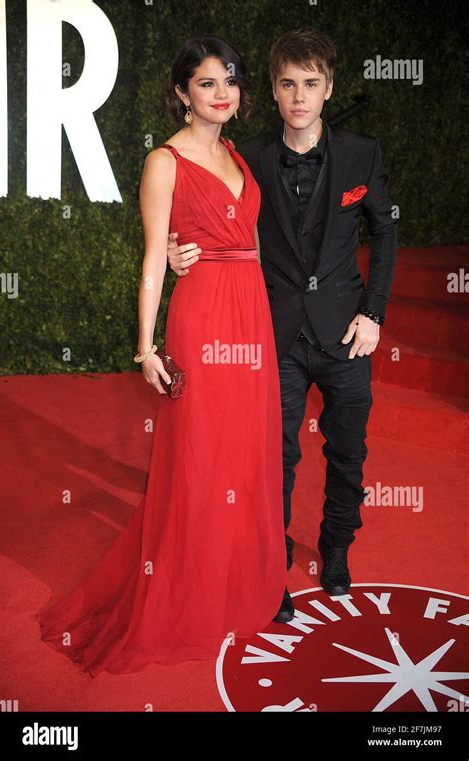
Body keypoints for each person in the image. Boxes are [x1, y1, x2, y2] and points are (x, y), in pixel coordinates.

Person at [32, 37, 287, 677]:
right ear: (181, 93)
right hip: (202, 319)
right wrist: (146, 347)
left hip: (250, 319)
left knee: (245, 450)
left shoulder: (236, 155)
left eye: (228, 80)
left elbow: (251, 244)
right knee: (201, 455)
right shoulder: (163, 162)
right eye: (206, 83)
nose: (222, 92)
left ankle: (239, 583)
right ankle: (192, 591)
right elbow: (154, 257)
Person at [167, 28, 398, 622]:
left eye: (311, 84)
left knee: (348, 452)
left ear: (329, 89)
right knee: (276, 462)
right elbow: (213, 221)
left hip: (348, 334)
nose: (299, 96)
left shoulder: (361, 154)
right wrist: (178, 250)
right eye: (288, 84)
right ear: (272, 90)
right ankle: (270, 572)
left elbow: (386, 232)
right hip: (275, 336)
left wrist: (373, 312)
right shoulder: (248, 157)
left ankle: (337, 546)